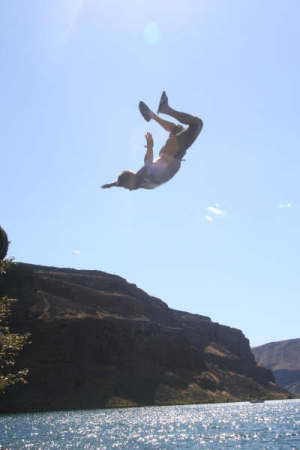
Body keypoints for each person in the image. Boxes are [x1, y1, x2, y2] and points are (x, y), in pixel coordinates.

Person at [102, 92, 203, 191]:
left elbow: (148, 164)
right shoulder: (140, 181)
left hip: (172, 154)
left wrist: (150, 148)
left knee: (197, 124)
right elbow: (146, 165)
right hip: (170, 154)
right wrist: (112, 185)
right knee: (177, 129)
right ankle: (153, 115)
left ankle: (164, 109)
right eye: (126, 187)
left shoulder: (140, 180)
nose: (129, 190)